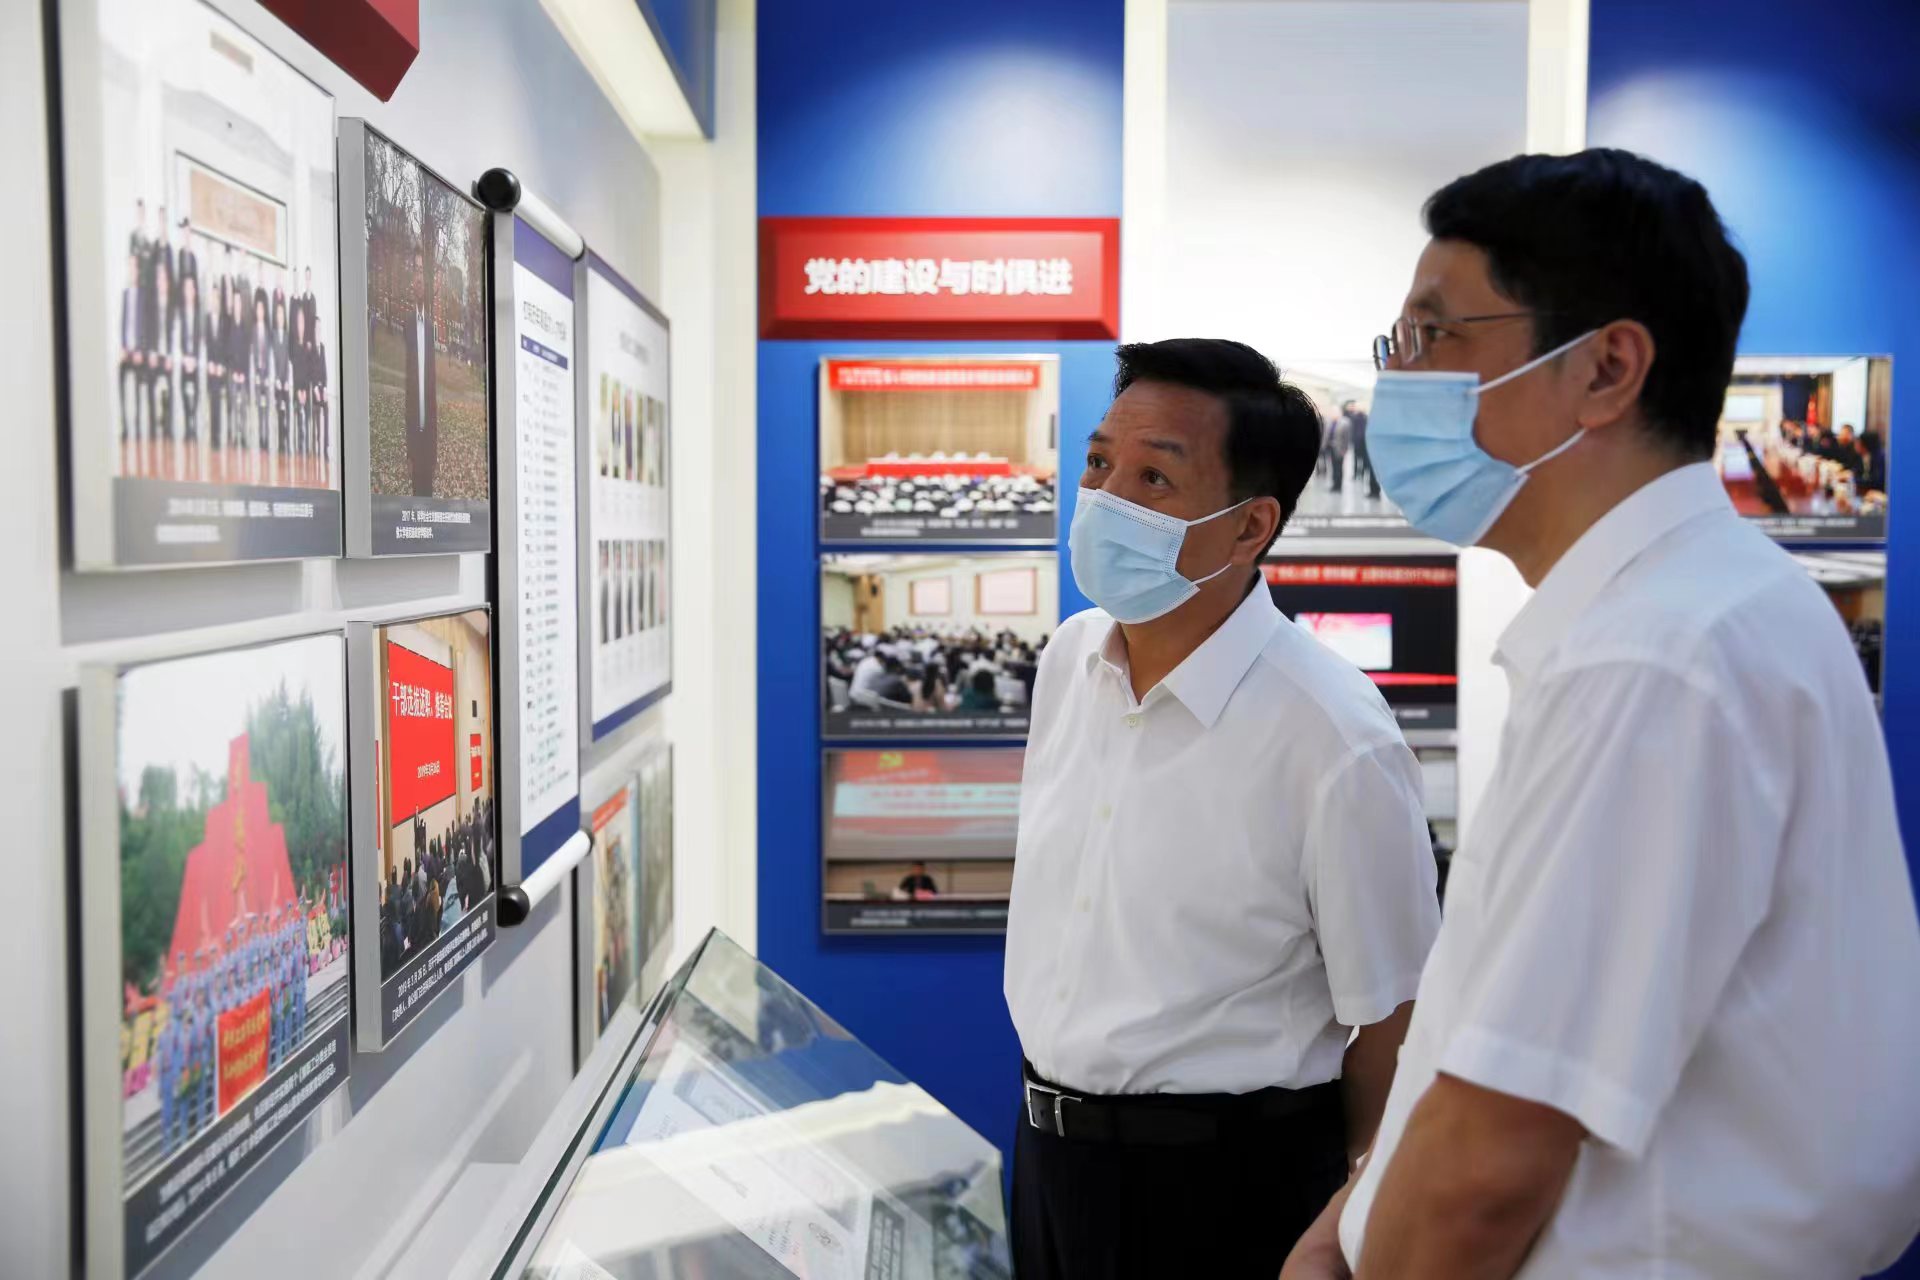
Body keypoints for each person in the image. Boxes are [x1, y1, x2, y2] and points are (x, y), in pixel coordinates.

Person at [1285, 149, 1920, 1280]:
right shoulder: (1700, 608)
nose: (1399, 381)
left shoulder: (1653, 658)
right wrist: (1359, 1211)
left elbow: (1495, 1156)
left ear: (1607, 368)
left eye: (1434, 336)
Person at [1005, 339, 1440, 1279]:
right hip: (1048, 1157)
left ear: (1250, 528)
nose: (1105, 498)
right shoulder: (1070, 661)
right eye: (1099, 463)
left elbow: (1395, 1021)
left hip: (1227, 1187)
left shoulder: (1333, 735)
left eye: (1155, 478)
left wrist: (1351, 1222)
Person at [404, 242, 438, 497]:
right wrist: (409, 451)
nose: (418, 278)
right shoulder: (407, 324)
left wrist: (434, 451)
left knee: (429, 500)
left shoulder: (429, 327)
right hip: (415, 438)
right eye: (414, 270)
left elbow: (432, 390)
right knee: (417, 500)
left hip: (429, 440)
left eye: (421, 272)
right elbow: (409, 389)